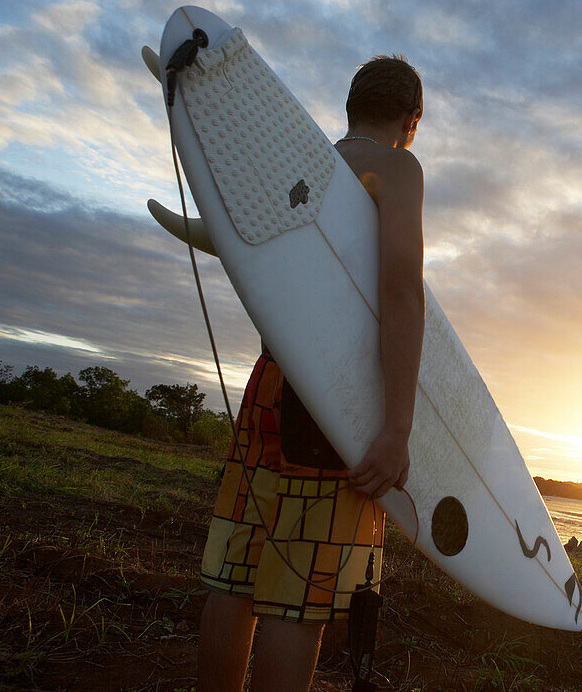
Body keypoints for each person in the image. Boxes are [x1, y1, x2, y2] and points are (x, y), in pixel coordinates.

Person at [196, 56, 425, 692]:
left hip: (269, 382)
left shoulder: (297, 159)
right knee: (302, 590)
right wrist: (397, 427)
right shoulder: (397, 167)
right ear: (412, 121)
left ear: (349, 106)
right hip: (333, 398)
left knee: (237, 574)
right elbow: (402, 289)